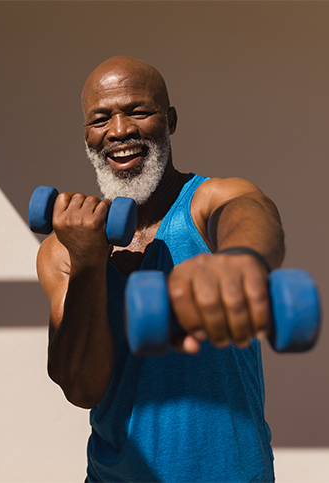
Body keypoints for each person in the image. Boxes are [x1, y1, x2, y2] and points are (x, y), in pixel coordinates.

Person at [36, 56, 284, 482]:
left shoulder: (207, 201)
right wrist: (90, 265)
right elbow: (81, 388)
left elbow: (250, 213)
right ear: (87, 135)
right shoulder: (63, 251)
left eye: (138, 111)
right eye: (101, 119)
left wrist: (242, 260)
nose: (119, 131)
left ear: (169, 120)